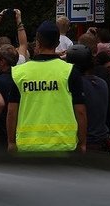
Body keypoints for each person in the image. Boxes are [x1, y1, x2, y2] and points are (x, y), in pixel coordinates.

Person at [7, 20, 87, 153]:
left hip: (28, 146)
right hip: (63, 145)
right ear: (57, 43)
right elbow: (80, 111)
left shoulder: (19, 72)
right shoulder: (69, 71)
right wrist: (82, 143)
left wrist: (11, 142)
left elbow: (11, 111)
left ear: (37, 43)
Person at [69, 44, 109, 151]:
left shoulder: (76, 85)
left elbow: (80, 112)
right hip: (101, 140)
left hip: (84, 143)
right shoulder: (102, 83)